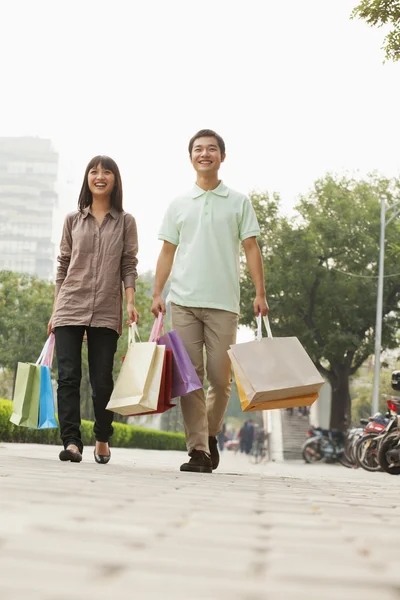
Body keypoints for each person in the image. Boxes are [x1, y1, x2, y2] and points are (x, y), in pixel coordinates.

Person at [151, 129, 269, 473]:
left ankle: (212, 433)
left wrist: (260, 293)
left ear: (222, 157)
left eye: (212, 149)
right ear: (191, 158)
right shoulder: (178, 204)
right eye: (199, 149)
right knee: (191, 377)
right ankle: (199, 450)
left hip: (224, 303)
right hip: (183, 301)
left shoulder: (238, 202)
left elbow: (251, 248)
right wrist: (158, 292)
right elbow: (167, 251)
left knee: (221, 379)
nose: (205, 154)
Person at [48, 156, 139, 464]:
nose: (100, 176)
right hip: (70, 305)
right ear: (87, 178)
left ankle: (102, 436)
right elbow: (62, 266)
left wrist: (130, 302)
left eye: (107, 171)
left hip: (106, 309)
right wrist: (54, 309)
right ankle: (72, 441)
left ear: (115, 179)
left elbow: (128, 264)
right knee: (69, 377)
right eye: (94, 171)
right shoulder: (73, 220)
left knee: (102, 381)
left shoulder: (126, 222)